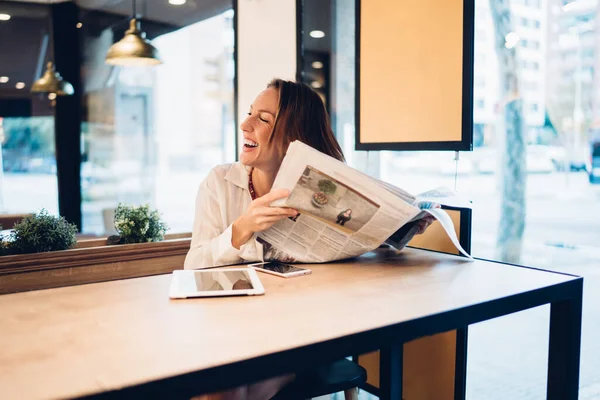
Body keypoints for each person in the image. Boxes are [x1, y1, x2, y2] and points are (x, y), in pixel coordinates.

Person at [185, 78, 435, 399]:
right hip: (232, 327)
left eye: (263, 120)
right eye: (249, 113)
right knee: (212, 390)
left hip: (301, 330)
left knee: (224, 391)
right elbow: (193, 266)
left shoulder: (326, 192)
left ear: (294, 139)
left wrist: (398, 229)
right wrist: (241, 229)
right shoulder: (220, 182)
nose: (245, 125)